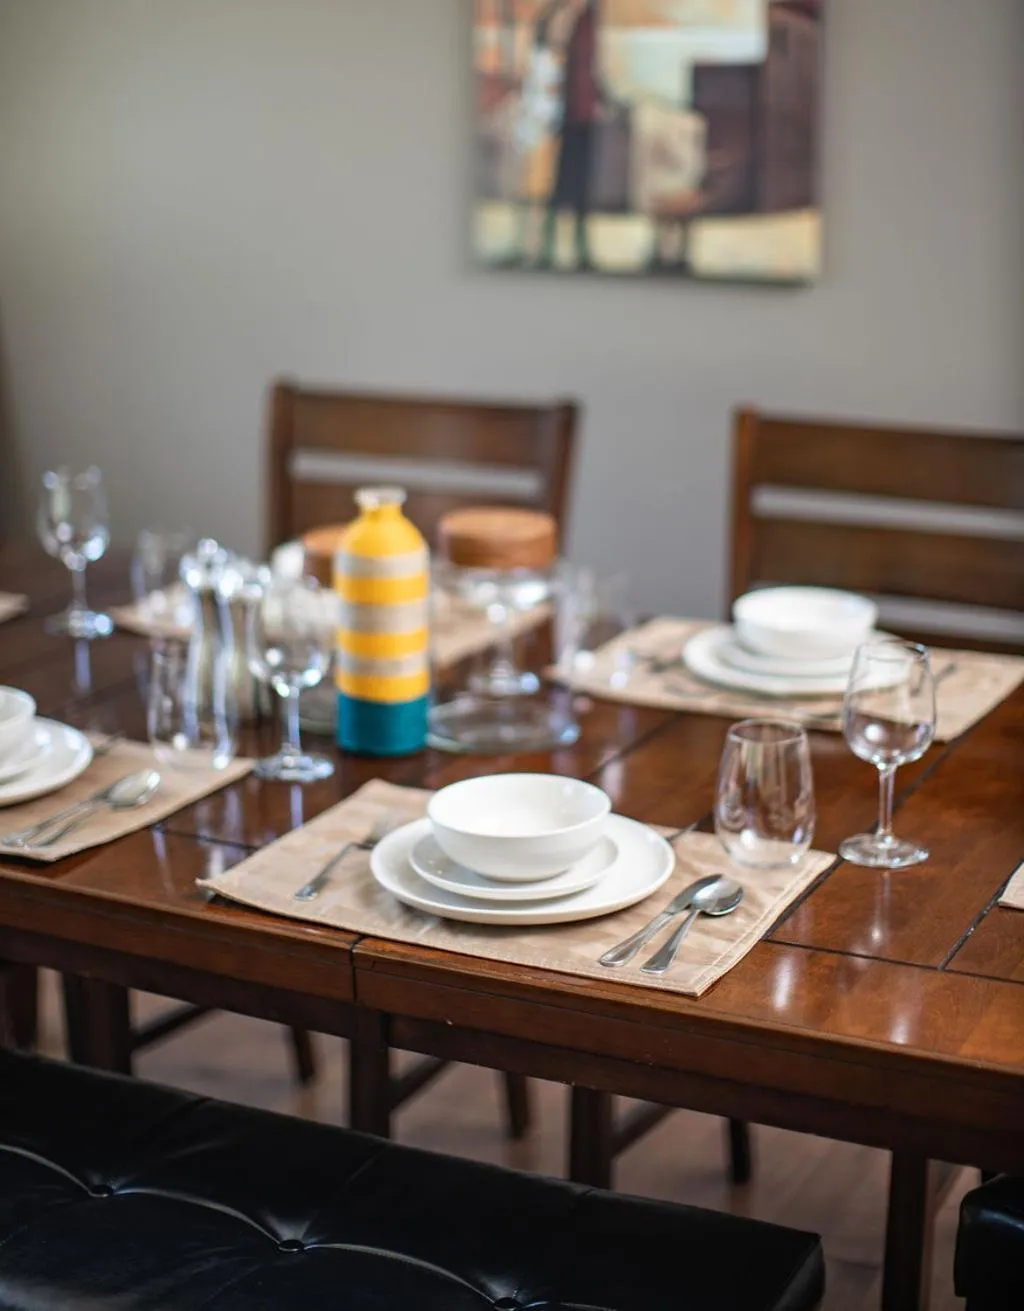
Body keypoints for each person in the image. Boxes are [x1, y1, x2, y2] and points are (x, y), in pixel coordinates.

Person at [541, 0, 604, 270]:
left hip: (581, 113)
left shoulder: (585, 20)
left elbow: (589, 68)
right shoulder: (574, 19)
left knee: (578, 186)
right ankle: (550, 247)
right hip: (572, 114)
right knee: (565, 183)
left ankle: (575, 249)